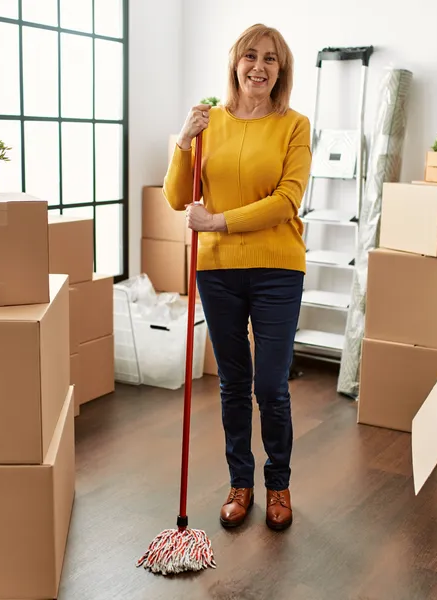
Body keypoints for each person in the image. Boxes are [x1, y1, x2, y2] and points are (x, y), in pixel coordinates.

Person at [162, 23, 311, 532]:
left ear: (281, 71)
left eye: (271, 59)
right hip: (219, 271)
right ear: (234, 64)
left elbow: (287, 200)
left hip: (277, 268)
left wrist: (219, 221)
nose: (259, 66)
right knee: (232, 384)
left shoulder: (294, 125)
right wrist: (183, 141)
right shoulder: (209, 124)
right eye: (250, 56)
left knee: (270, 385)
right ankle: (240, 484)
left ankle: (279, 485)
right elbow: (178, 198)